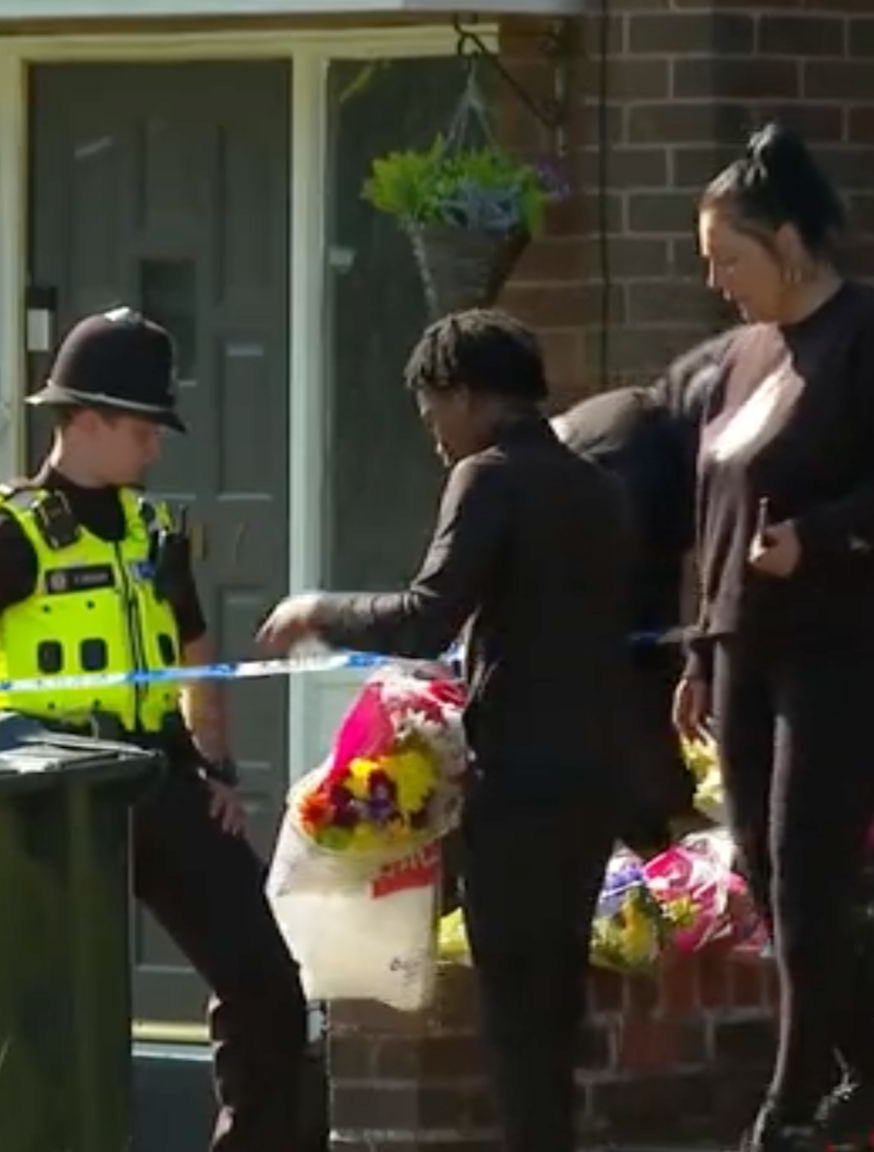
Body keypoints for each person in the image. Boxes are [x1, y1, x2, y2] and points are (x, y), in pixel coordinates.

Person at [0, 306, 306, 1152]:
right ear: (84, 421)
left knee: (268, 985)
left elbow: (198, 656)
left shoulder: (156, 535)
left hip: (159, 779)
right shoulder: (0, 547)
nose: (156, 449)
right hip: (52, 799)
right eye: (142, 430)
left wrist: (219, 771)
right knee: (50, 1017)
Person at [258, 309, 634, 1152]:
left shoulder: (488, 477)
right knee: (557, 996)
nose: (432, 432)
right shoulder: (597, 489)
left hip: (522, 777)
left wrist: (318, 612)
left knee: (514, 1004)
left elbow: (427, 617)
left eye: (432, 408)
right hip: (597, 772)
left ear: (464, 396)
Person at [666, 124, 874, 1152]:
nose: (716, 282)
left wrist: (822, 538)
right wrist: (699, 650)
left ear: (789, 242)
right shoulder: (740, 359)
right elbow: (709, 509)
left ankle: (788, 1107)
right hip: (747, 648)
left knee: (807, 869)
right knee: (762, 867)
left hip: (850, 647)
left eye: (728, 258)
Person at [551, 371, 717, 855]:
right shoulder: (652, 453)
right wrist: (699, 660)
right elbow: (699, 566)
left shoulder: (613, 415)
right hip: (619, 646)